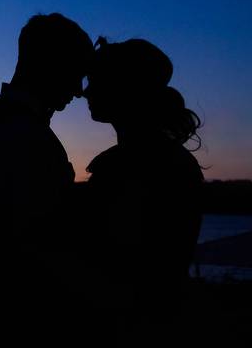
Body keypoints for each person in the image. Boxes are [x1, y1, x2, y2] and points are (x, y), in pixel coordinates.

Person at [0, 13, 93, 319]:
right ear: (49, 64)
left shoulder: (12, 121)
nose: (79, 90)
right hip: (29, 307)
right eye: (75, 73)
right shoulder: (17, 129)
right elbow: (28, 230)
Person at [80, 37, 204, 335]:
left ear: (125, 87)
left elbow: (115, 256)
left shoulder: (134, 163)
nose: (85, 91)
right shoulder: (163, 156)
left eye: (96, 81)